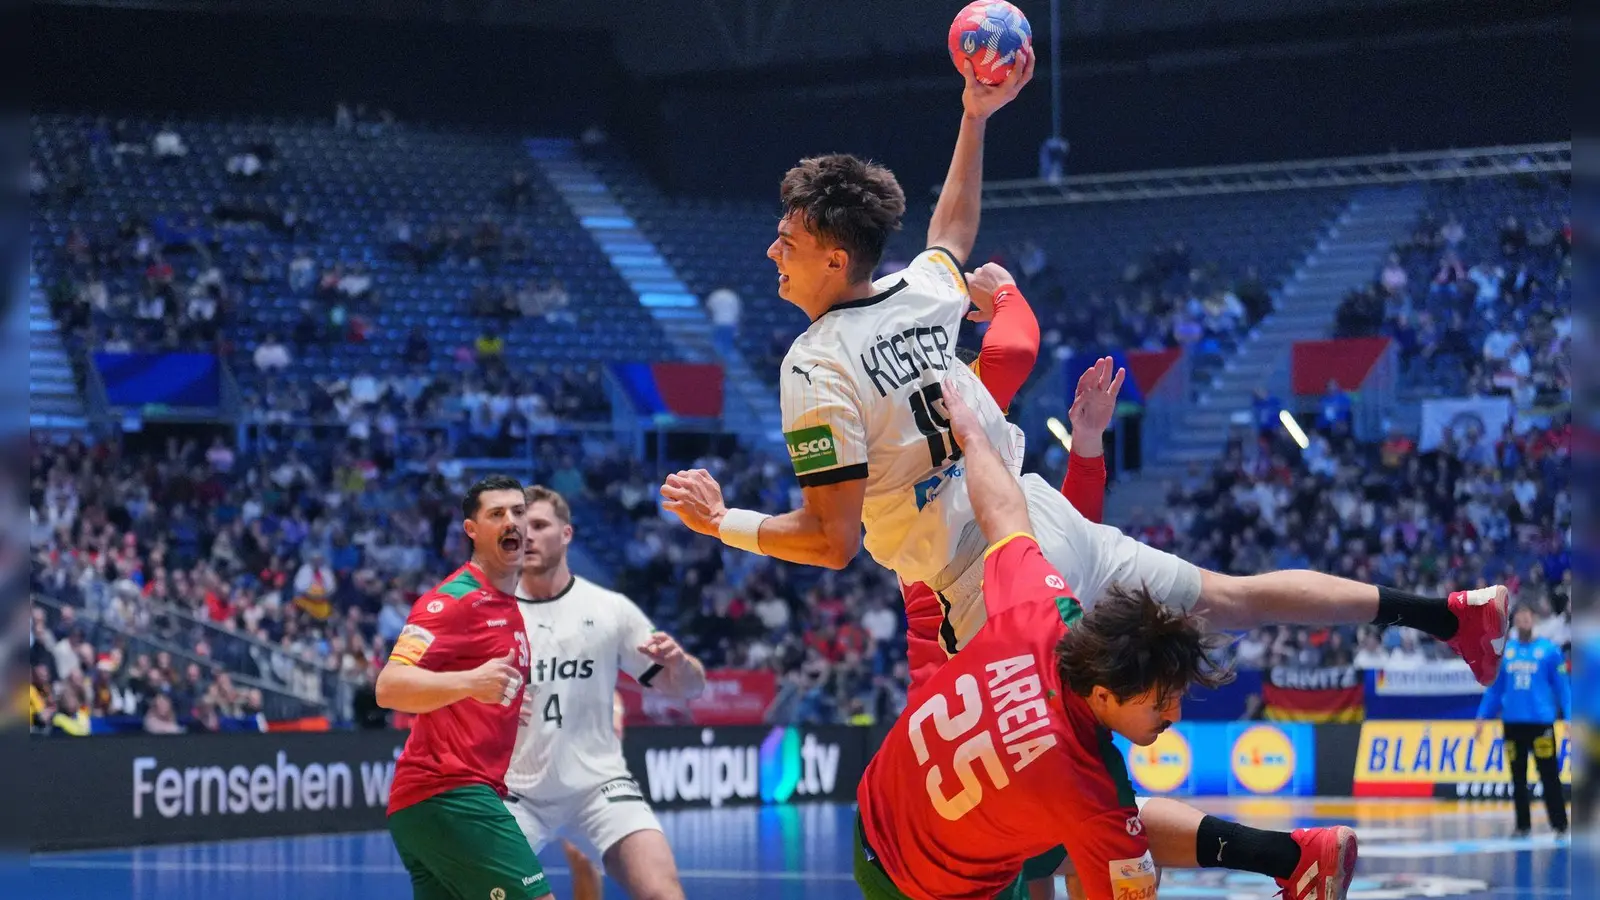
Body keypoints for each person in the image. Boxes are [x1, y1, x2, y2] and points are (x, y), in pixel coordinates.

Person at [657, 49, 1506, 689]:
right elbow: (951, 232)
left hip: (984, 575)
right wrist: (974, 117)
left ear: (836, 259)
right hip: (1045, 513)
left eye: (789, 241)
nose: (771, 250)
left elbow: (833, 541)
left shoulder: (813, 364)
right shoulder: (920, 290)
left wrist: (725, 521)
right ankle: (1449, 615)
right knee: (1235, 596)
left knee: (1027, 801)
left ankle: (1254, 856)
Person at [852, 382, 1358, 900]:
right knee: (1108, 836)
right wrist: (979, 430)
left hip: (893, 801)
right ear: (1104, 693)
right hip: (929, 878)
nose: (1177, 716)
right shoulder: (1043, 622)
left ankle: (1290, 857)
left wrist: (984, 431)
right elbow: (1034, 529)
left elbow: (1029, 528)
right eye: (1164, 699)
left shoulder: (1025, 610)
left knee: (1085, 837)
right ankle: (1291, 857)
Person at [376, 475, 584, 900]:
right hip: (448, 794)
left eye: (519, 512)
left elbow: (472, 688)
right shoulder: (453, 601)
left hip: (431, 806)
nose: (512, 521)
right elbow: (389, 686)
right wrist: (472, 682)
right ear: (472, 530)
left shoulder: (509, 606)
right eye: (497, 514)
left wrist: (495, 703)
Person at [505, 485, 706, 900]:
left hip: (599, 788)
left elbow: (688, 688)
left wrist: (680, 664)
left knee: (663, 892)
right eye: (520, 527)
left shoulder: (608, 609)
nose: (527, 536)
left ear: (567, 534)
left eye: (539, 525)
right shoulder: (491, 613)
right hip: (514, 792)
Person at [1475, 604, 1571, 837]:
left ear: (1534, 619)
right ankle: (1522, 826)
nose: (1524, 621)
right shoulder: (1506, 652)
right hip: (1513, 724)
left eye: (1527, 617)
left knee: (1548, 775)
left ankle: (1560, 825)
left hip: (1541, 724)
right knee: (1517, 777)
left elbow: (1562, 687)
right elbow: (1495, 690)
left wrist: (1569, 716)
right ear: (1514, 622)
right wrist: (1482, 716)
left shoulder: (1549, 651)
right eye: (1519, 617)